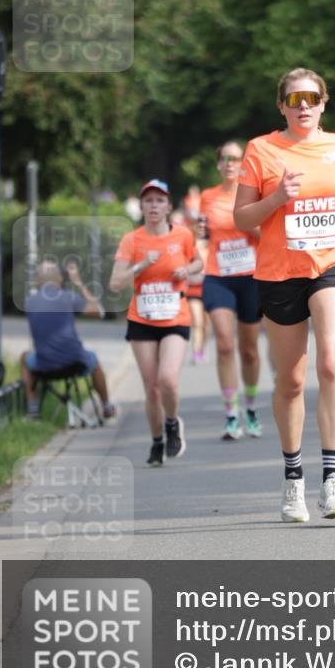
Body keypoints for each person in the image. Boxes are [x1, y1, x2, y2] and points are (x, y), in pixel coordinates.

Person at [234, 68, 335, 522]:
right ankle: (294, 478)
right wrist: (276, 199)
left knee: (331, 362)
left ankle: (333, 480)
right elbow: (241, 219)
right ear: (282, 106)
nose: (303, 105)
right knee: (290, 381)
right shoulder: (261, 150)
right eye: (295, 99)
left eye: (312, 97)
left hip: (333, 261)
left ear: (324, 103)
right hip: (279, 271)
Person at [110, 179, 203, 465]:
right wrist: (141, 265)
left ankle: (172, 422)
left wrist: (185, 270)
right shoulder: (132, 240)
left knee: (167, 380)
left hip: (175, 316)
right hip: (142, 318)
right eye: (148, 200)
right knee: (150, 386)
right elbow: (115, 283)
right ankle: (156, 441)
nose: (153, 206)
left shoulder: (183, 236)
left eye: (159, 200)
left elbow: (199, 264)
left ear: (168, 206)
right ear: (141, 206)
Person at [199, 142, 263, 440]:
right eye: (224, 158)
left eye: (235, 159)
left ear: (243, 164)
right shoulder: (207, 197)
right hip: (218, 276)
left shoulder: (252, 196)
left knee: (248, 350)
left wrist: (252, 227)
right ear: (218, 164)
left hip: (250, 275)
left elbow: (267, 234)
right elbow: (202, 234)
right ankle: (230, 414)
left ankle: (250, 407)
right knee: (225, 344)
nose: (229, 163)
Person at [21, 260, 116, 420]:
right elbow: (99, 312)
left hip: (43, 365)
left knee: (24, 357)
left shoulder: (29, 302)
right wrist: (78, 282)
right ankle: (106, 406)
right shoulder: (68, 297)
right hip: (74, 362)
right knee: (94, 360)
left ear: (37, 282)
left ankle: (33, 410)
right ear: (60, 280)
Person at [171, 209, 211, 365]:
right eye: (198, 223)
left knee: (207, 324)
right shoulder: (189, 243)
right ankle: (196, 351)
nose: (201, 226)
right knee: (197, 322)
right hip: (193, 289)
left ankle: (203, 347)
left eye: (204, 223)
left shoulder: (213, 244)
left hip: (210, 287)